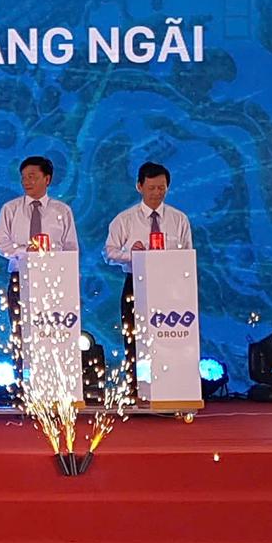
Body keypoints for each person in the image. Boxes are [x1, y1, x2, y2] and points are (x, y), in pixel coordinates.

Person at [102, 161, 194, 380]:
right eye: (151, 187)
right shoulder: (125, 220)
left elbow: (187, 255)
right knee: (135, 338)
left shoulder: (179, 219)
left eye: (161, 188)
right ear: (139, 186)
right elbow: (108, 253)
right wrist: (131, 255)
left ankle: (173, 382)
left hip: (171, 288)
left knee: (172, 336)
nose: (156, 193)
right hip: (137, 284)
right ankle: (136, 386)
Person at [0, 155, 79, 342]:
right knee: (20, 332)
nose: (26, 181)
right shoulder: (10, 209)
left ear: (47, 179)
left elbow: (71, 249)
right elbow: (0, 242)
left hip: (54, 279)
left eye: (32, 176)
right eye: (23, 177)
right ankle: (21, 362)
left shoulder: (62, 211)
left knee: (53, 332)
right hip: (20, 275)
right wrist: (25, 252)